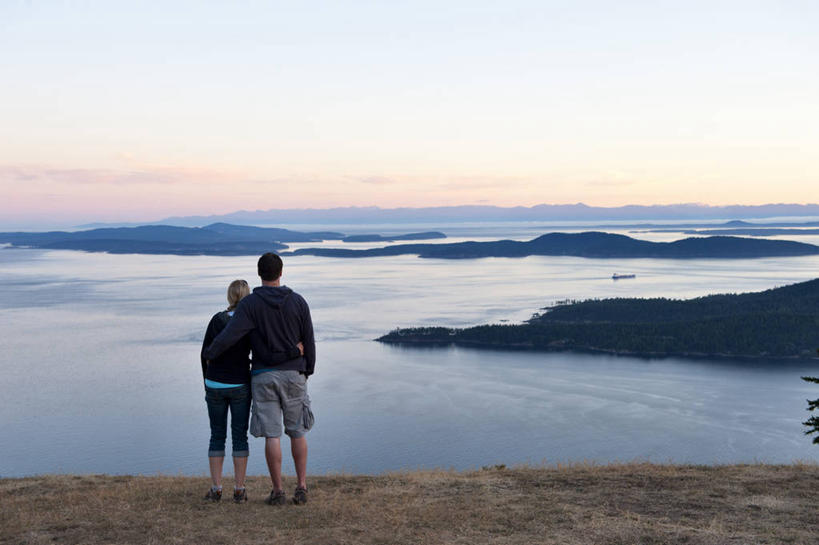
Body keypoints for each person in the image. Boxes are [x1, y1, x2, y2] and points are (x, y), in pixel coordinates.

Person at [203, 252, 316, 506]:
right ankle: (301, 486)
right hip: (294, 374)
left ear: (259, 273)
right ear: (281, 272)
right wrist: (306, 370)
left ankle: (277, 492)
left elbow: (230, 335)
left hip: (263, 375)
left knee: (272, 435)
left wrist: (210, 353)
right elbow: (309, 341)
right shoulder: (298, 302)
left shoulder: (250, 304)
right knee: (297, 431)